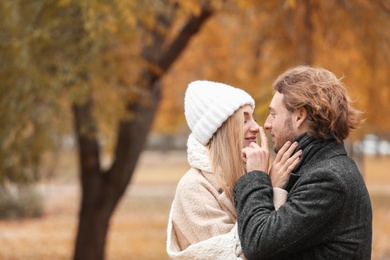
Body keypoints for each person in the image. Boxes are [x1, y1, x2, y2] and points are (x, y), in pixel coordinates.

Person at [235, 65, 373, 259]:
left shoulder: (329, 179)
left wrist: (256, 177)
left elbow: (257, 242)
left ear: (299, 116)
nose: (266, 124)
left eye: (273, 114)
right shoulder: (317, 167)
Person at [166, 80, 301, 259]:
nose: (256, 127)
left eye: (252, 117)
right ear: (221, 129)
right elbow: (232, 254)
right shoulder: (195, 188)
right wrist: (271, 189)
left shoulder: (248, 172)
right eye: (244, 120)